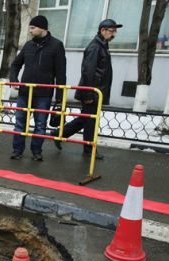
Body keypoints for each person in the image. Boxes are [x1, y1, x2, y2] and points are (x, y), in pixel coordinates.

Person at [54, 19, 122, 160]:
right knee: (89, 121)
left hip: (96, 91)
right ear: (103, 30)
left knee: (86, 119)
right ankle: (88, 149)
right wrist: (89, 93)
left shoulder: (102, 45)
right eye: (112, 31)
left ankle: (60, 134)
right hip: (92, 92)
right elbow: (88, 72)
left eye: (115, 31)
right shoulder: (95, 47)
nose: (114, 34)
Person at [9, 15, 66, 161]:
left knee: (40, 124)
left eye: (33, 28)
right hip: (25, 92)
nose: (30, 31)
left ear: (42, 28)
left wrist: (60, 99)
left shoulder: (56, 46)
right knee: (20, 123)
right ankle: (17, 150)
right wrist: (14, 80)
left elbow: (60, 73)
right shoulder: (29, 45)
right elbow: (16, 64)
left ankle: (36, 152)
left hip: (44, 94)